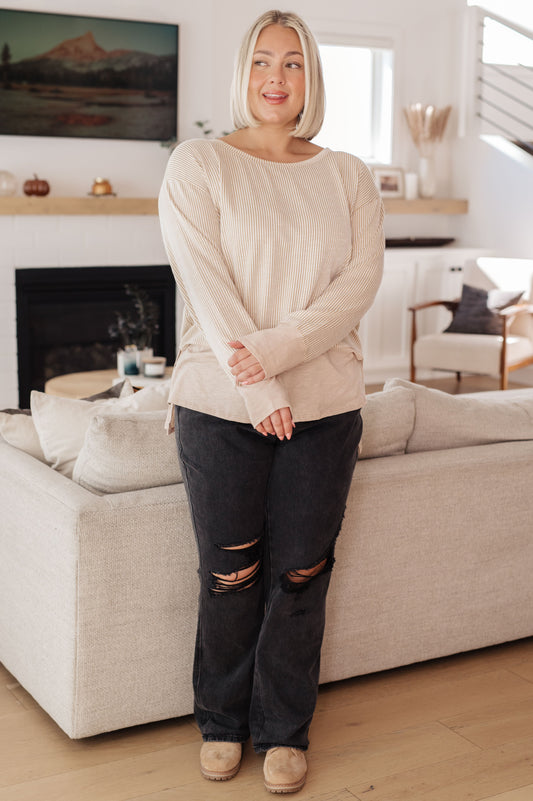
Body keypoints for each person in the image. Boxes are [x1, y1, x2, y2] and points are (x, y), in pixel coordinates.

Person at [158, 9, 384, 794]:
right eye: (262, 60)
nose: (276, 77)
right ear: (242, 73)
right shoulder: (198, 163)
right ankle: (222, 722)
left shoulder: (347, 174)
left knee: (300, 574)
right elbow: (205, 284)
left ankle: (284, 730)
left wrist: (278, 356)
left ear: (309, 76)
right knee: (231, 572)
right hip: (220, 405)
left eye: (291, 62)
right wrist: (256, 383)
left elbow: (358, 284)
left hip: (324, 405)